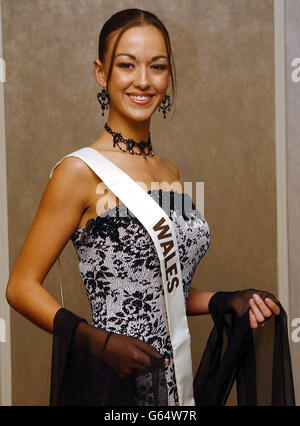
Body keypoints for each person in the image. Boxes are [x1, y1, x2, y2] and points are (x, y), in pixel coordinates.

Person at [6, 8, 282, 406]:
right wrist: (97, 342)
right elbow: (20, 287)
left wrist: (225, 300)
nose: (143, 80)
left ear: (168, 77)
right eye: (126, 65)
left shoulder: (169, 171)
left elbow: (157, 288)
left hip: (174, 377)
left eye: (157, 67)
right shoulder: (79, 171)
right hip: (115, 383)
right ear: (102, 73)